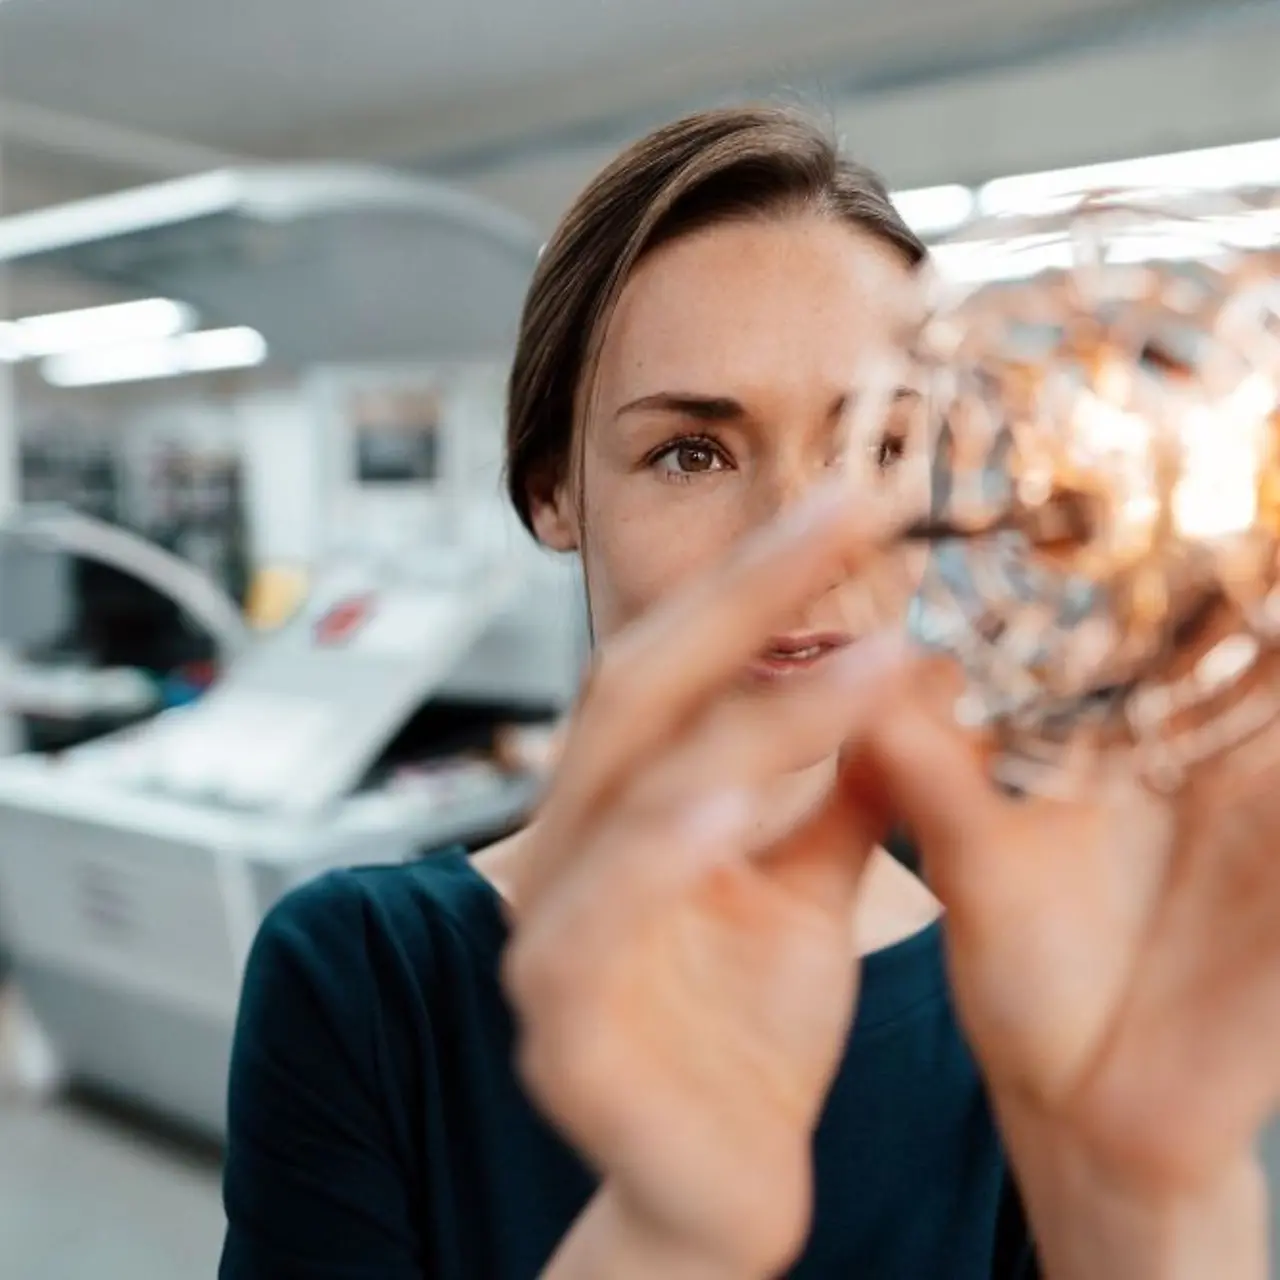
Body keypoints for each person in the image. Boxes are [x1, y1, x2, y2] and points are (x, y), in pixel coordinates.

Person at [219, 105, 1280, 1279]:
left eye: (876, 446)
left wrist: (1153, 1220)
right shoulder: (365, 979)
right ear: (550, 492)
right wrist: (667, 1243)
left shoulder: (1035, 997)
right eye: (691, 451)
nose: (803, 542)